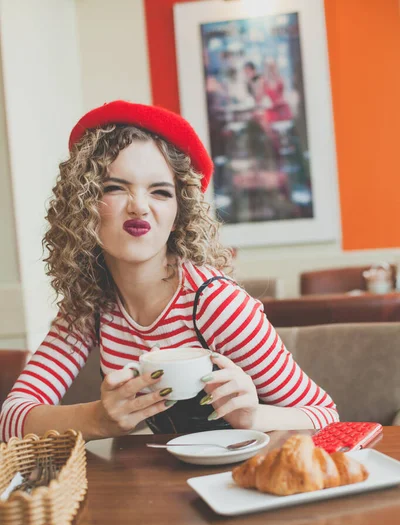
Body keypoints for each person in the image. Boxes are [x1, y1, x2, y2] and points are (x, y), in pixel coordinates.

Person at [0, 100, 338, 442]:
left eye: (160, 192)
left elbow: (325, 415)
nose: (139, 207)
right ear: (83, 203)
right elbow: (12, 418)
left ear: (179, 213)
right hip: (155, 489)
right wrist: (99, 419)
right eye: (115, 187)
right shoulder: (91, 305)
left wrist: (252, 416)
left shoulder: (215, 304)